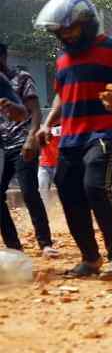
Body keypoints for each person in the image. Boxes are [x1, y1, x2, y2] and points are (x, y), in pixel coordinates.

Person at [35, 0, 112, 279]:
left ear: (87, 23)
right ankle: (90, 259)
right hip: (71, 137)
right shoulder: (63, 61)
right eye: (60, 31)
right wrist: (46, 125)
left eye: (71, 28)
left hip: (107, 131)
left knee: (95, 186)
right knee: (67, 191)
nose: (66, 36)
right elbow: (61, 98)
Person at [0, 42, 58, 258]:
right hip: (2, 147)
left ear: (3, 57)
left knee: (29, 192)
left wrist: (31, 139)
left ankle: (45, 243)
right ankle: (13, 247)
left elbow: (34, 112)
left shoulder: (22, 78)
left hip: (22, 143)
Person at [38, 125, 61, 205]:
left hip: (60, 165)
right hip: (44, 165)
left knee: (65, 191)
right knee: (42, 190)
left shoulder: (66, 126)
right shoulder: (44, 127)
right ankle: (45, 212)